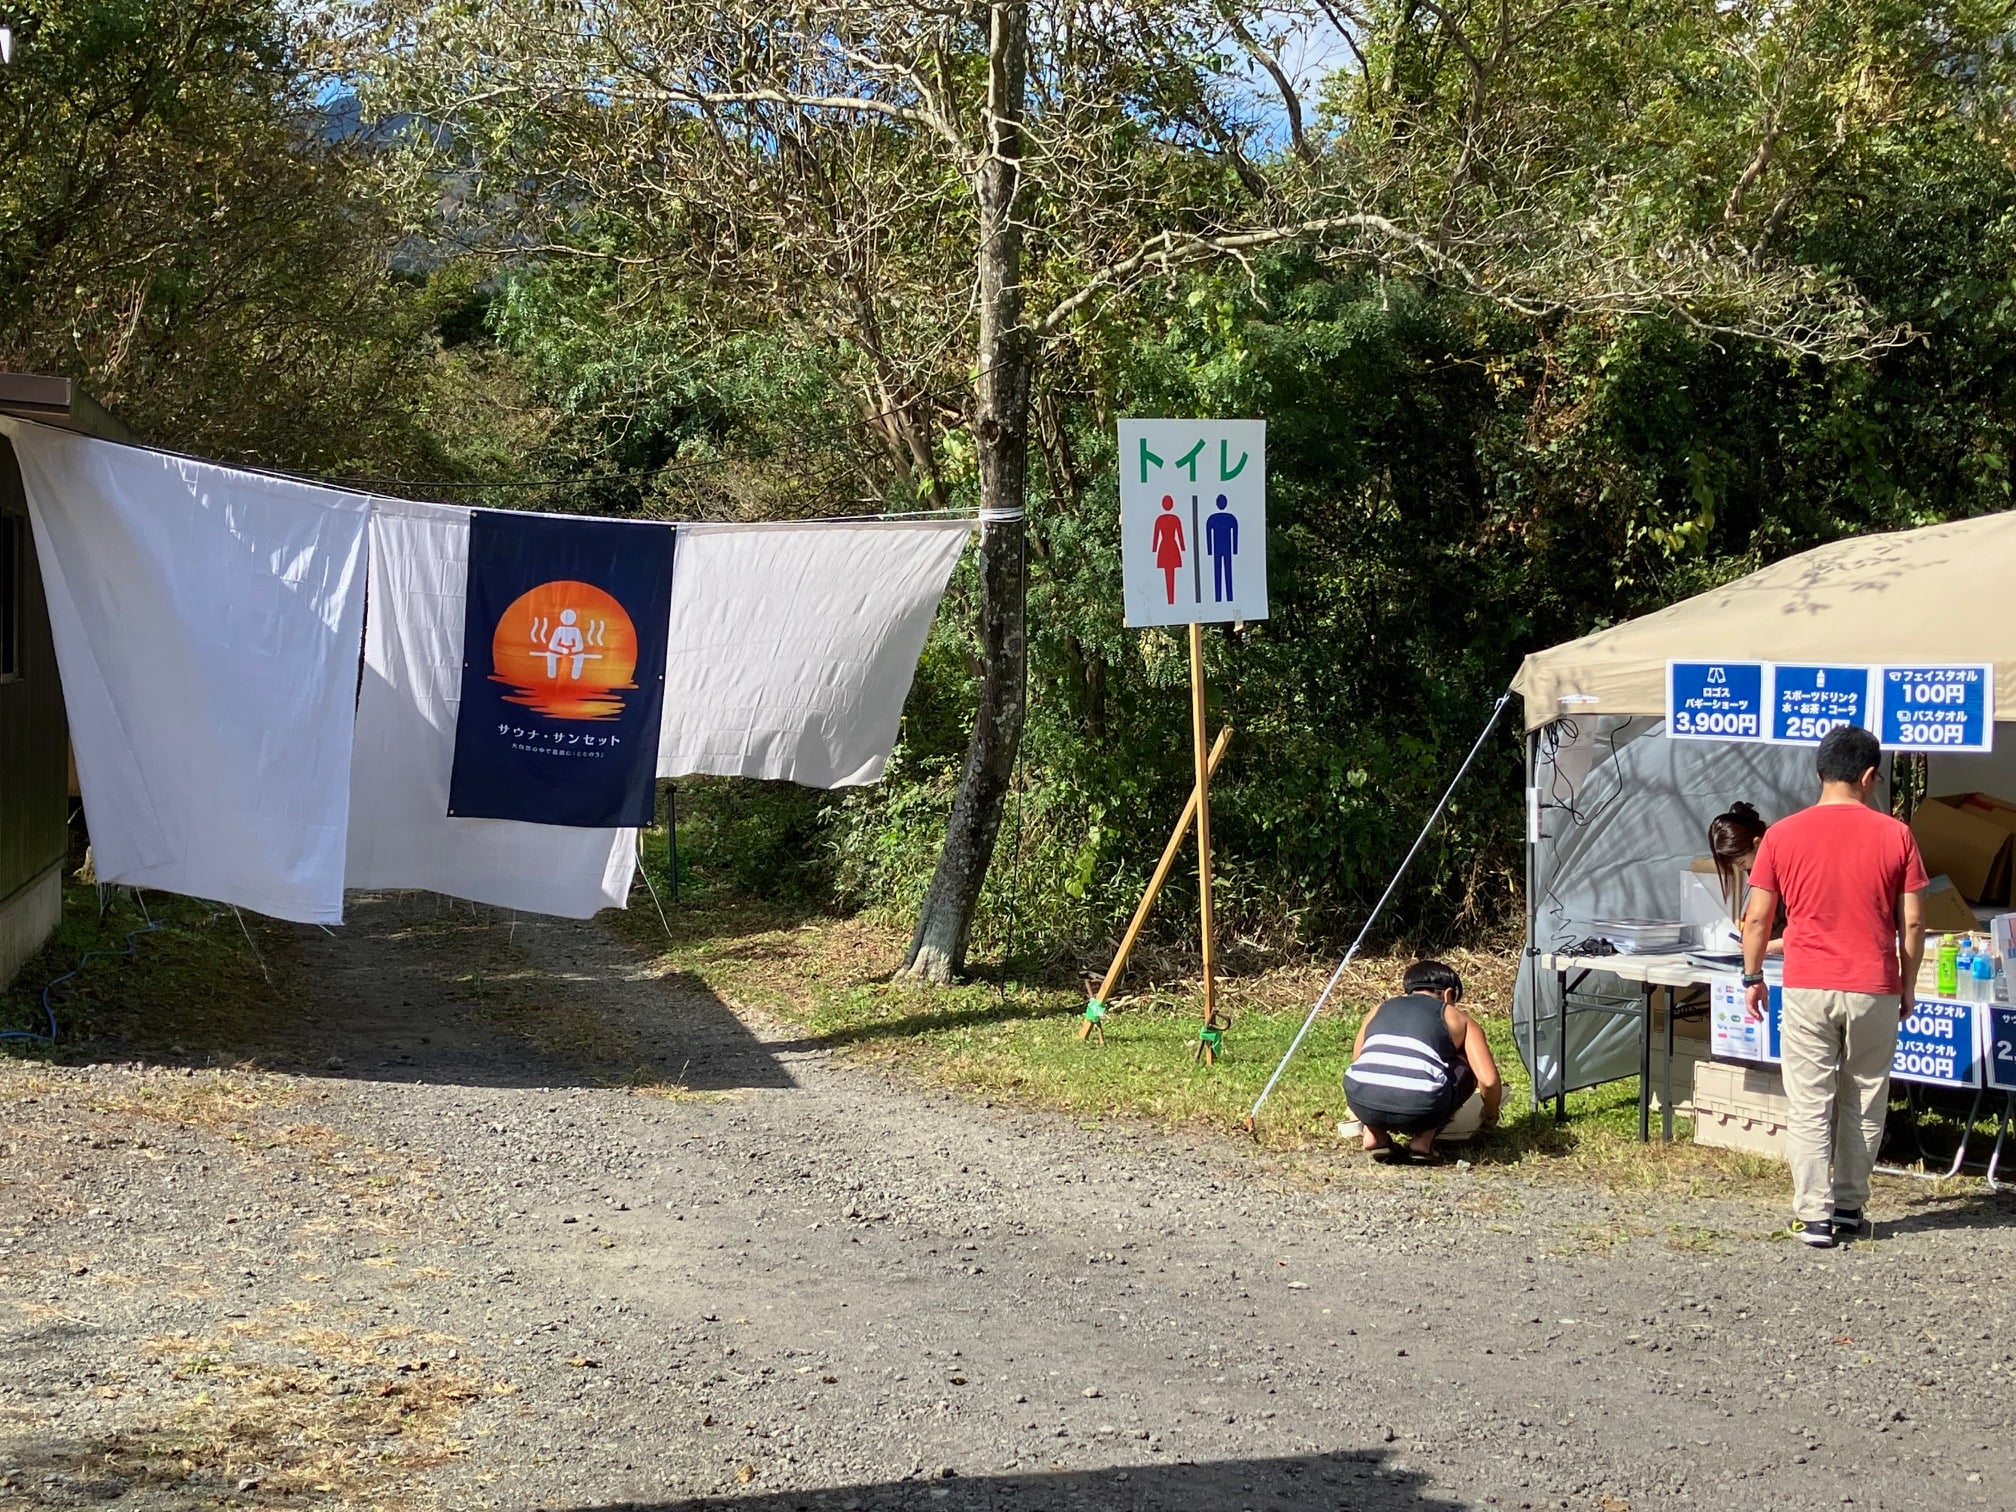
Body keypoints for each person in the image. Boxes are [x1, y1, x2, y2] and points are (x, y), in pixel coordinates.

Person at [1742, 725, 1927, 1248]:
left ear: (1819, 772)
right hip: (1875, 985)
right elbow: (1912, 924)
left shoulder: (1781, 835)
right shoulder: (1897, 835)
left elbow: (1757, 920)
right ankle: (1849, 1206)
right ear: (1869, 775)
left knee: (1809, 1101)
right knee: (1865, 1097)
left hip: (1807, 984)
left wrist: (1753, 976)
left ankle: (1813, 1216)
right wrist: (1907, 985)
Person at [1344, 960, 1503, 1161]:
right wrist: (1490, 1116)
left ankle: (1374, 1134)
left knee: (1376, 1067)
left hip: (1361, 1099)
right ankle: (1423, 1141)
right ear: (1448, 994)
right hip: (1422, 1108)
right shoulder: (1458, 1018)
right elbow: (1488, 1081)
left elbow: (1359, 1059)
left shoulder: (1378, 1009)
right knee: (1468, 1065)